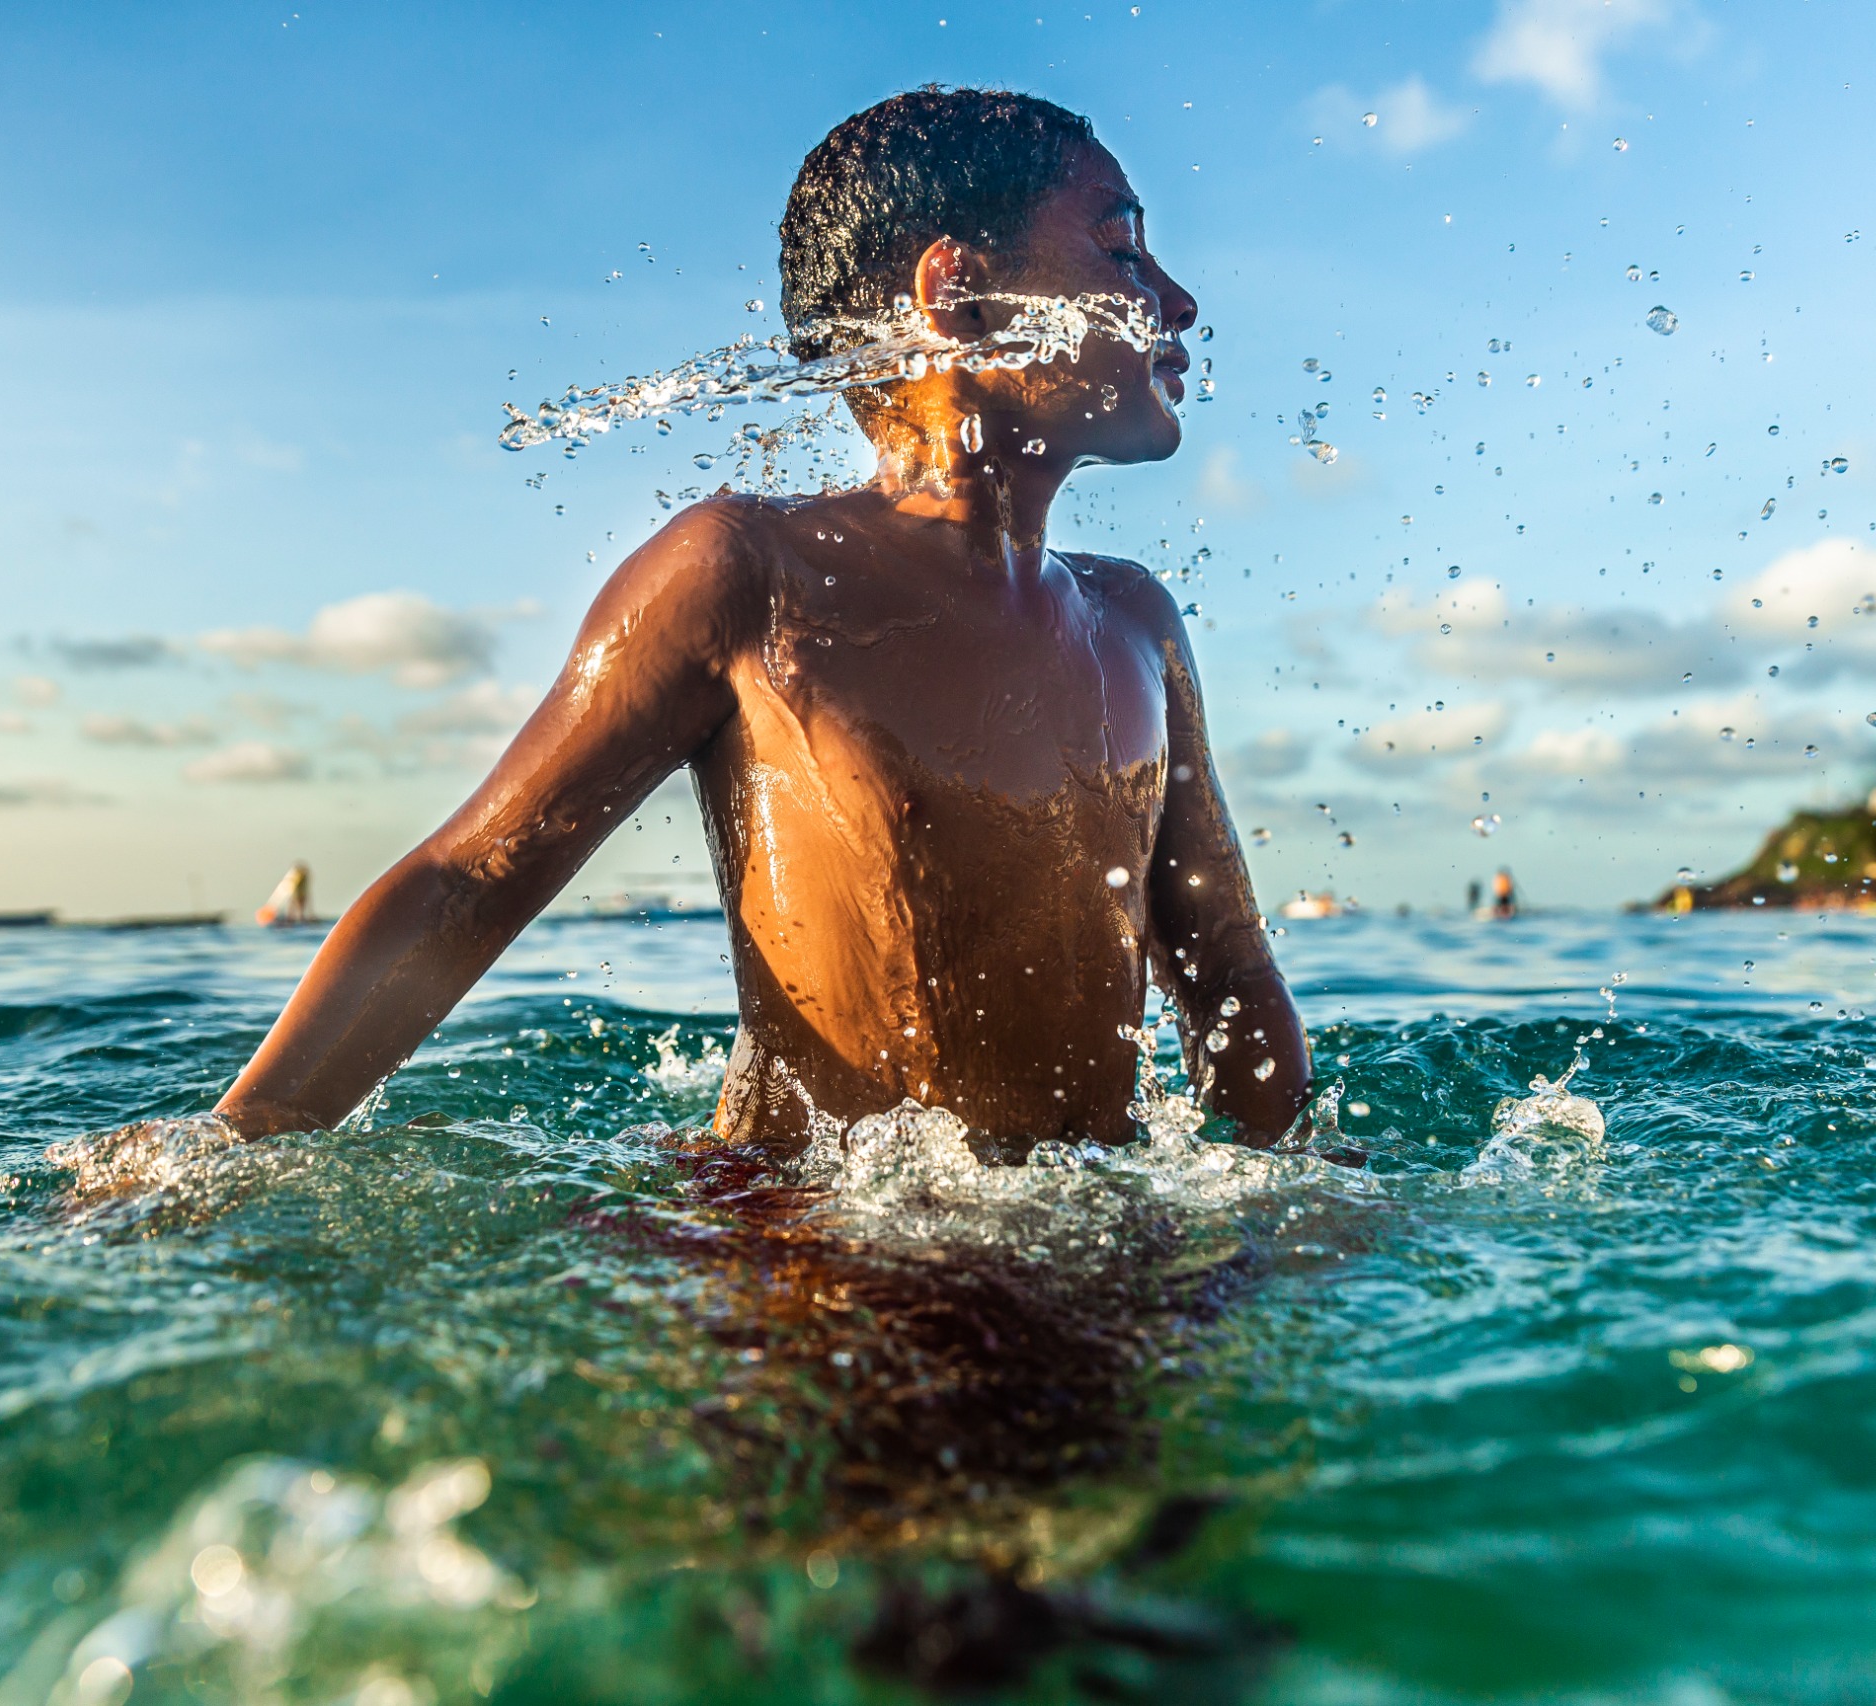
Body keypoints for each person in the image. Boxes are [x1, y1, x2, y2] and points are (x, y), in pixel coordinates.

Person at [212, 88, 1310, 1155]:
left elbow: (1229, 972)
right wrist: (233, 1145)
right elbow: (473, 879)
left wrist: (1294, 1200)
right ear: (960, 295)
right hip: (796, 1241)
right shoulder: (751, 575)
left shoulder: (1133, 620)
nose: (1177, 302)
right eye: (1123, 253)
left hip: (1082, 1245)